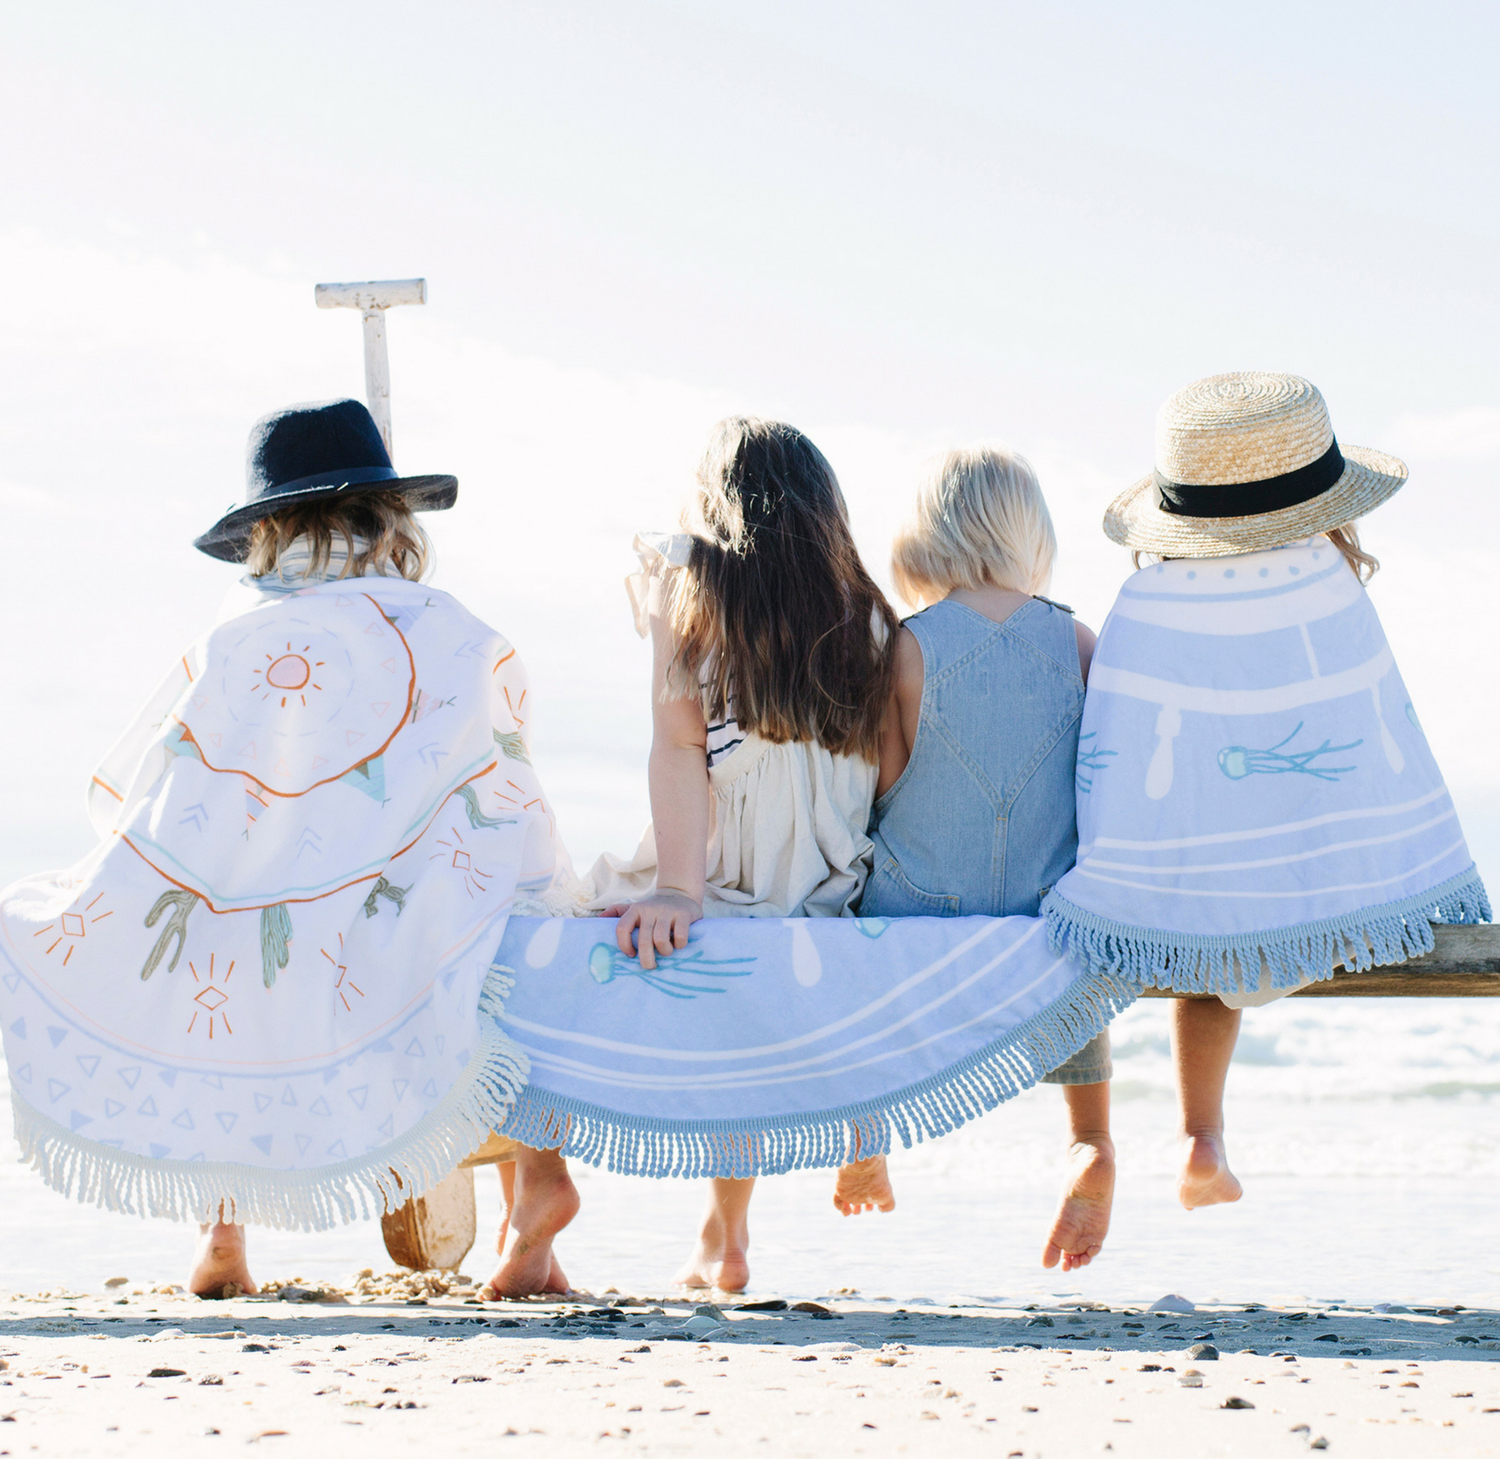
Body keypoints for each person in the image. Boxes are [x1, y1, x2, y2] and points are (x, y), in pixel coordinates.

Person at [0, 399, 569, 1297]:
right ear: (389, 519)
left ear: (266, 531)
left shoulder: (237, 634)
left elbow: (164, 780)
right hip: (411, 896)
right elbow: (501, 767)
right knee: (505, 929)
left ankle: (222, 1236)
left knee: (203, 959)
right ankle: (537, 1190)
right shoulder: (449, 627)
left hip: (266, 908)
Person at [1042, 371, 1490, 1209]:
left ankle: (1172, 1135)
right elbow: (1377, 739)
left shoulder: (1144, 601)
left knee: (1213, 921)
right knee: (1239, 932)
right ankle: (1203, 1138)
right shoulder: (1327, 588)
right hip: (1320, 880)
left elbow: (1115, 747)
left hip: (1170, 884)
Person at [490, 416, 897, 1295]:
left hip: (716, 877)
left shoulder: (692, 601)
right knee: (738, 1021)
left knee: (532, 942)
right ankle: (726, 1235)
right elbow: (889, 769)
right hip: (827, 890)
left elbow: (678, 751)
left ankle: (544, 1179)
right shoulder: (870, 618)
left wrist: (677, 889)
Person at [846, 447, 1114, 1272]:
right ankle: (1091, 1139)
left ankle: (867, 1130)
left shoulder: (905, 648)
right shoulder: (1076, 641)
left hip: (921, 912)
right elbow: (1097, 783)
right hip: (1045, 917)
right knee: (1084, 955)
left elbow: (884, 782)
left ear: (927, 538)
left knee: (861, 934)